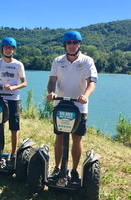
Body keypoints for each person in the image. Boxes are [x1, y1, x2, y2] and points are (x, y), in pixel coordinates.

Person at [46, 31, 98, 184]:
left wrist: (86, 95)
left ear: (79, 44)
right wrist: (51, 92)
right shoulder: (57, 61)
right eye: (69, 43)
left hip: (79, 106)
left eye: (75, 43)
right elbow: (52, 81)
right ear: (65, 45)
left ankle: (74, 170)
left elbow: (92, 82)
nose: (71, 45)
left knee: (77, 138)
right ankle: (57, 168)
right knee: (60, 136)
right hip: (61, 104)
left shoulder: (87, 61)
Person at [0, 37, 27, 162]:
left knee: (14, 127)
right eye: (6, 47)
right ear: (2, 49)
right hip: (0, 99)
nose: (8, 50)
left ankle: (13, 154)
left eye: (10, 48)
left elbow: (24, 83)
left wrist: (12, 87)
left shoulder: (18, 64)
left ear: (13, 50)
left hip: (13, 98)